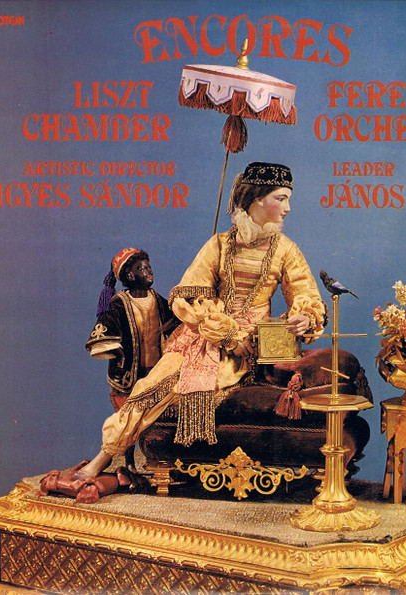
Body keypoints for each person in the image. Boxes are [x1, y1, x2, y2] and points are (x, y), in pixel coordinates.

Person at [75, 162, 327, 480]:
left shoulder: (286, 250)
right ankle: (105, 455)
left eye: (288, 199)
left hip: (247, 346)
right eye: (281, 198)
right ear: (258, 198)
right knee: (151, 384)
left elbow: (306, 295)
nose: (288, 208)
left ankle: (109, 457)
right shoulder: (218, 244)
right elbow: (187, 296)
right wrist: (219, 329)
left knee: (177, 386)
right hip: (203, 334)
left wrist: (304, 317)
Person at [86, 248, 178, 412]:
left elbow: (176, 320)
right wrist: (119, 354)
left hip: (157, 375)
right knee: (130, 418)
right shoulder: (118, 304)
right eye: (142, 268)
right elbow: (104, 333)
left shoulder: (157, 300)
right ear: (130, 275)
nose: (149, 272)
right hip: (129, 378)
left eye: (149, 267)